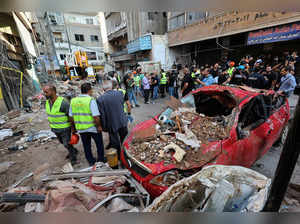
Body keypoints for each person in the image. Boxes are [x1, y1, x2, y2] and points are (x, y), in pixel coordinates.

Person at [69, 83, 104, 166]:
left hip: (81, 129)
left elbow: (70, 117)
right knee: (99, 144)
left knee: (86, 146)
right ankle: (101, 160)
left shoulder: (73, 101)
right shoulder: (90, 100)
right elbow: (95, 116)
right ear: (90, 90)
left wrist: (73, 128)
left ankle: (91, 161)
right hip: (93, 128)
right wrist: (98, 126)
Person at [43, 84, 78, 165]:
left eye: (46, 92)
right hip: (55, 128)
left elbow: (70, 116)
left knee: (67, 143)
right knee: (63, 143)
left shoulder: (63, 103)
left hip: (64, 128)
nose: (44, 94)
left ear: (53, 91)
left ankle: (73, 158)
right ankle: (73, 150)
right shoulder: (48, 102)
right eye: (44, 92)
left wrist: (73, 129)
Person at [97, 81, 129, 158]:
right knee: (124, 139)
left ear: (103, 89)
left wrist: (104, 127)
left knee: (115, 141)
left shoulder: (100, 99)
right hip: (122, 120)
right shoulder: (120, 94)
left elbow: (102, 114)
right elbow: (122, 106)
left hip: (111, 123)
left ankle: (118, 156)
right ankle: (126, 154)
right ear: (111, 87)